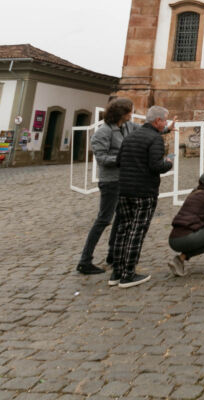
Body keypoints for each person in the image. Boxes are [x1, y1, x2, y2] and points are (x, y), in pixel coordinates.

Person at [111, 105, 174, 288]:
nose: (165, 124)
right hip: (144, 191)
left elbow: (118, 161)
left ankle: (116, 272)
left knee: (122, 230)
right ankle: (128, 275)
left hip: (124, 190)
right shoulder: (155, 139)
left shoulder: (130, 136)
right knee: (136, 231)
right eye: (164, 121)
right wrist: (168, 163)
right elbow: (156, 166)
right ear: (157, 121)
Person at [76, 98, 134, 275]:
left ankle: (113, 254)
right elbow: (101, 158)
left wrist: (165, 129)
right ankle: (85, 261)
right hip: (110, 182)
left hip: (122, 179)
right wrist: (121, 159)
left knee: (121, 217)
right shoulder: (103, 132)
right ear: (121, 113)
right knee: (103, 219)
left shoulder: (127, 127)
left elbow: (144, 132)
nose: (132, 114)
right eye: (129, 111)